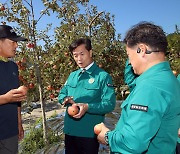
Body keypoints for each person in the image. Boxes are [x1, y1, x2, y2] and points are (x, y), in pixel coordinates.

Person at [97, 22, 180, 153]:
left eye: (129, 56)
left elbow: (133, 143)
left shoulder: (150, 87)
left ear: (141, 50)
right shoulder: (168, 79)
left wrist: (107, 137)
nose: (129, 62)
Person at [58, 38, 116, 154]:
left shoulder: (102, 77)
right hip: (70, 132)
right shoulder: (73, 76)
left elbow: (109, 104)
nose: (79, 59)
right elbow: (62, 93)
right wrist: (65, 99)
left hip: (88, 134)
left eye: (82, 54)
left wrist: (88, 107)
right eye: (75, 55)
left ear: (90, 52)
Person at [0, 25, 27, 153]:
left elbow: (17, 100)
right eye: (13, 42)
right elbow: (9, 97)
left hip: (10, 132)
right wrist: (5, 98)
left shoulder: (13, 67)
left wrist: (19, 124)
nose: (16, 46)